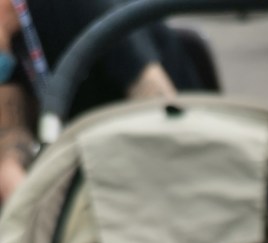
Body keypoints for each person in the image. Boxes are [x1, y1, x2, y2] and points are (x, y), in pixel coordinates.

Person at [0, 0, 206, 203]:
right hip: (94, 165)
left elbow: (159, 102)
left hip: (167, 155)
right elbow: (11, 132)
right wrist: (13, 176)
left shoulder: (78, 6)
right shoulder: (9, 41)